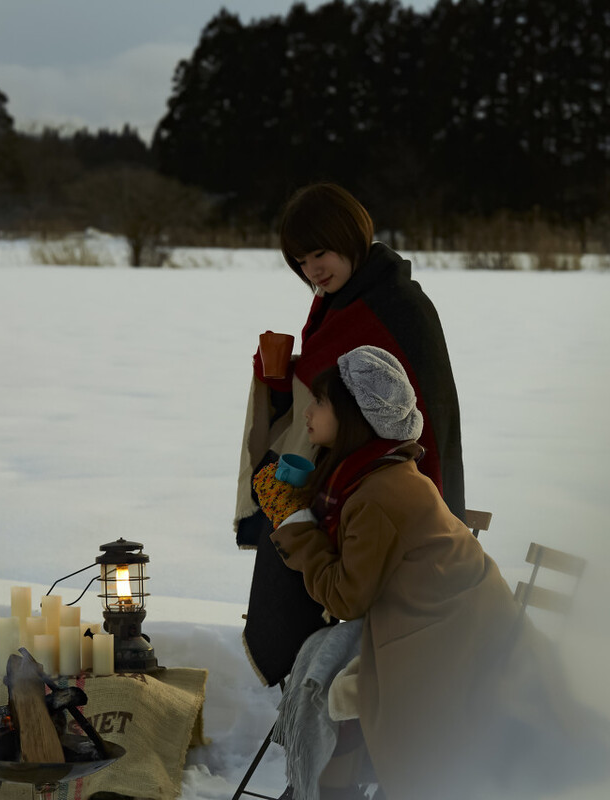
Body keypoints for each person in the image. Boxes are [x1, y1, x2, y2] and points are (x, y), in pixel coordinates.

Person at [252, 346, 591, 800]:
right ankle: (329, 788)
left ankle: (330, 790)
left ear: (353, 416)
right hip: (455, 621)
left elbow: (345, 597)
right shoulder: (375, 471)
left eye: (320, 402)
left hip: (453, 640)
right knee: (331, 668)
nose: (308, 412)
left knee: (333, 683)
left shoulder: (375, 495)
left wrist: (295, 526)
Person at [234, 183, 466, 686]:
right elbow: (337, 386)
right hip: (353, 473)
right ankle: (307, 679)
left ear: (351, 238)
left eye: (320, 253)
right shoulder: (338, 300)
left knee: (297, 530)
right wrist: (283, 381)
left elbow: (409, 406)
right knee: (289, 523)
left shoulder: (397, 305)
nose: (312, 270)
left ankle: (318, 681)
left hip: (396, 485)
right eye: (300, 260)